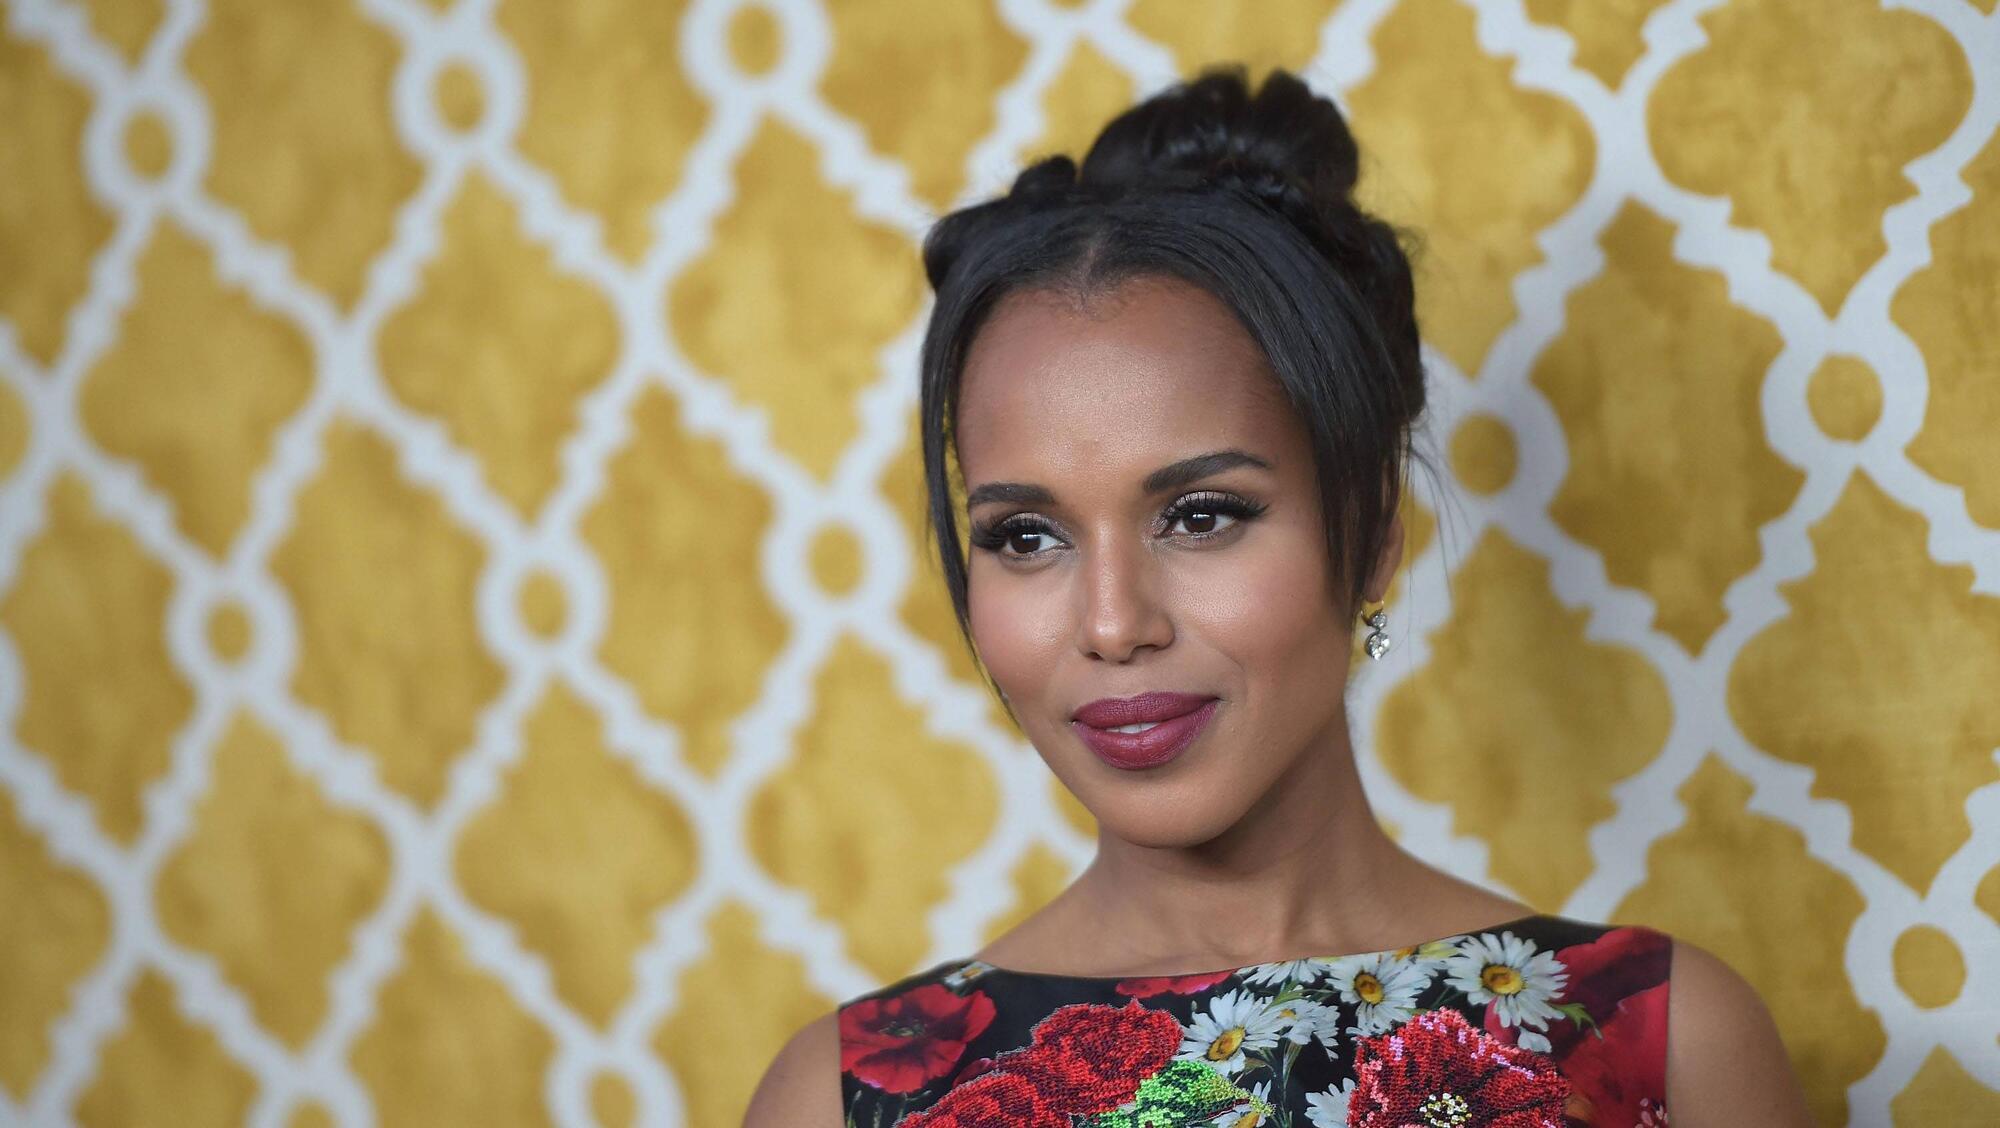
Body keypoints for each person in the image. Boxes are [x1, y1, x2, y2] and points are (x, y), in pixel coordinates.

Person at [746, 64, 1811, 1127]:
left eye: (1202, 515)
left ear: (1373, 532)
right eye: (1027, 536)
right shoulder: (841, 1099)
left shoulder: (1660, 1044)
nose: (1113, 624)